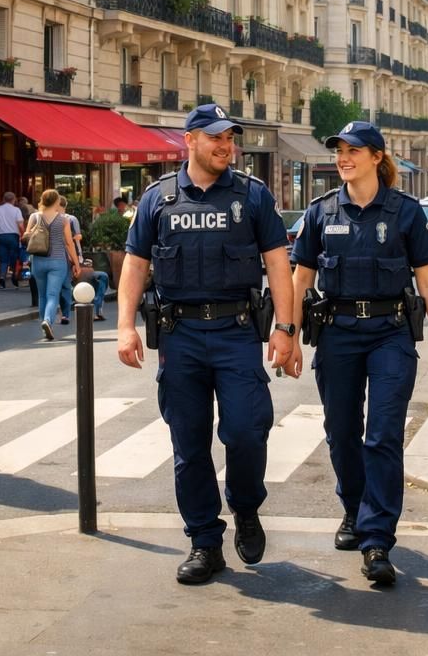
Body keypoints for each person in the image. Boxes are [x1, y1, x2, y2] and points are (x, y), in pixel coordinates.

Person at [116, 103, 297, 585]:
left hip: (237, 332)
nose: (226, 146)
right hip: (181, 337)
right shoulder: (158, 199)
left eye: (229, 138)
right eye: (216, 137)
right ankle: (204, 542)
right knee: (189, 443)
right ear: (190, 140)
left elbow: (278, 263)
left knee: (246, 430)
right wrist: (125, 325)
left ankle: (246, 507)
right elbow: (135, 263)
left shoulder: (252, 196)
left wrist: (285, 327)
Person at [290, 120, 428, 587]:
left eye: (353, 150)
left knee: (382, 435)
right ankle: (354, 508)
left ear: (377, 157)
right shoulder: (322, 212)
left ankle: (377, 538)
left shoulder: (405, 212)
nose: (343, 158)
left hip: (390, 335)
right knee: (342, 432)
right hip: (337, 333)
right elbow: (301, 278)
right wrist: (289, 335)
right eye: (339, 150)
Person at [25, 189, 78, 341]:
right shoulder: (63, 220)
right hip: (58, 261)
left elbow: (26, 237)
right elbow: (69, 243)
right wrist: (76, 263)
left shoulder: (34, 217)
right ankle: (48, 320)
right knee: (52, 294)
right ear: (56, 201)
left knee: (42, 295)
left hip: (38, 260)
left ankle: (45, 325)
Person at [56, 197, 107, 323]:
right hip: (71, 261)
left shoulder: (47, 218)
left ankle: (64, 314)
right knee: (102, 277)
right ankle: (97, 308)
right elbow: (77, 238)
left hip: (58, 261)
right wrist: (78, 260)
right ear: (65, 205)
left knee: (64, 285)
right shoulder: (70, 219)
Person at [0, 191, 25, 289]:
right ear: (14, 200)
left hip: (1, 236)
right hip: (13, 237)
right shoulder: (17, 210)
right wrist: (23, 235)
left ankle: (2, 278)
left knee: (3, 259)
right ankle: (14, 275)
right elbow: (20, 224)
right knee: (14, 257)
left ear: (3, 200)